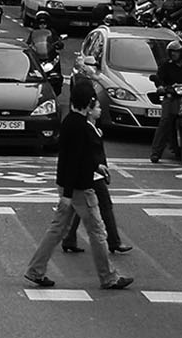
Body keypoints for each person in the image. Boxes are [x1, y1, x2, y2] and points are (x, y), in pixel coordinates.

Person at [23, 83, 134, 291]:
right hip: (80, 188)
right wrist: (68, 194)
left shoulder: (69, 122)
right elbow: (73, 161)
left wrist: (95, 166)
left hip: (68, 185)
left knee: (56, 230)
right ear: (89, 102)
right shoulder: (81, 127)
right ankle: (108, 277)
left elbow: (74, 157)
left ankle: (35, 270)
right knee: (97, 232)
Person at [62, 81, 131, 255]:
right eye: (98, 107)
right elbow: (83, 155)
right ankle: (113, 242)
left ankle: (69, 239)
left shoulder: (92, 126)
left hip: (90, 173)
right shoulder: (83, 127)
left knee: (78, 208)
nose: (100, 110)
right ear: (89, 109)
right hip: (91, 174)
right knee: (105, 206)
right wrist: (98, 167)